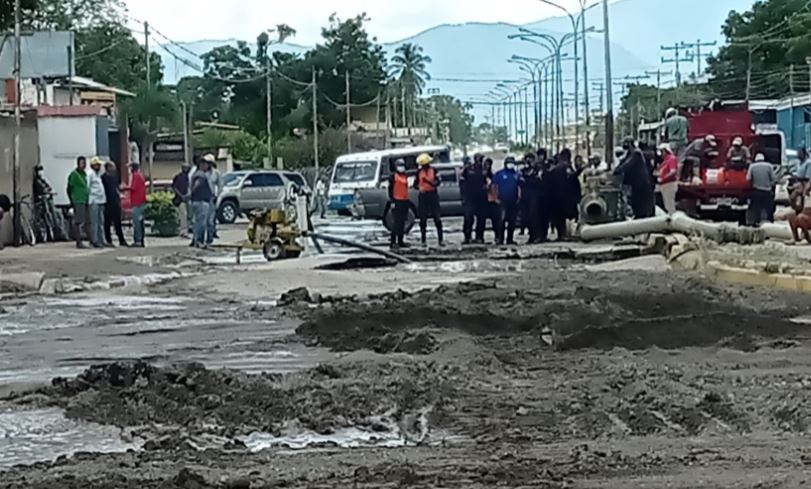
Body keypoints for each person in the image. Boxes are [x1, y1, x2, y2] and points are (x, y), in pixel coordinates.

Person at [614, 138, 655, 219]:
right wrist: (615, 170)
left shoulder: (636, 153)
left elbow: (627, 164)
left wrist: (619, 170)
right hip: (635, 183)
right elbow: (623, 162)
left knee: (641, 202)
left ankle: (642, 217)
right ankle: (638, 215)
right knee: (635, 201)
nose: (624, 146)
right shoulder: (630, 153)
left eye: (625, 143)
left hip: (641, 183)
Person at [413, 153, 443, 247]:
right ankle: (423, 240)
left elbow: (438, 182)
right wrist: (419, 187)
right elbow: (415, 184)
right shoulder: (419, 172)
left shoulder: (434, 170)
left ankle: (440, 240)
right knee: (423, 219)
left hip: (432, 195)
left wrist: (429, 182)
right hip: (423, 196)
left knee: (437, 218)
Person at [494, 156, 522, 245]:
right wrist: (496, 198)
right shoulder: (500, 174)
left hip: (513, 201)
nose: (511, 165)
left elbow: (519, 186)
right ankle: (500, 239)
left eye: (512, 163)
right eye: (509, 163)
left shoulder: (516, 174)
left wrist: (519, 197)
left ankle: (510, 239)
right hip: (502, 201)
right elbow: (494, 186)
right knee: (502, 221)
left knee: (512, 221)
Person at [460, 154, 487, 244]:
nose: (479, 161)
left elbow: (491, 179)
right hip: (470, 197)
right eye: (478, 159)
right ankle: (467, 237)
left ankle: (479, 237)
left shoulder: (484, 169)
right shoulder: (469, 169)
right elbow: (462, 179)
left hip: (481, 198)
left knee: (481, 218)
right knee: (468, 218)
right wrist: (463, 196)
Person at [102, 161, 128, 247]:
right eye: (113, 166)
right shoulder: (103, 178)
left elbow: (117, 188)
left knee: (118, 223)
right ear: (108, 167)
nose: (114, 168)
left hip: (116, 203)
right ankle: (108, 240)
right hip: (108, 203)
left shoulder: (115, 177)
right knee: (107, 223)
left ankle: (122, 240)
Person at [67, 156, 90, 249]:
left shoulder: (84, 174)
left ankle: (88, 239)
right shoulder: (74, 174)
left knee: (87, 221)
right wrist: (72, 200)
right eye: (82, 163)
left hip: (85, 199)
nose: (83, 165)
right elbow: (69, 188)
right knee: (78, 221)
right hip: (78, 200)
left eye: (84, 163)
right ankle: (78, 241)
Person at [747, 153, 776, 226]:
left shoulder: (752, 166)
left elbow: (748, 179)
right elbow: (773, 179)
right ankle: (770, 224)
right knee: (769, 209)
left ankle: (756, 224)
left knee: (757, 209)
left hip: (757, 191)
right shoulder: (769, 166)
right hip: (767, 191)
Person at [190, 158, 213, 248]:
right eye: (206, 164)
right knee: (201, 223)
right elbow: (196, 185)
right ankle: (199, 241)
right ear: (202, 165)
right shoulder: (201, 175)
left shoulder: (195, 174)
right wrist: (193, 190)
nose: (207, 166)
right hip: (201, 201)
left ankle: (196, 240)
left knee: (196, 222)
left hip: (196, 201)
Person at [388, 158, 410, 250]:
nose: (402, 167)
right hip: (396, 201)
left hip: (404, 201)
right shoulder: (393, 176)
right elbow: (390, 190)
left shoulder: (405, 176)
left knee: (402, 222)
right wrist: (392, 201)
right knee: (396, 222)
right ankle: (393, 242)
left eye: (403, 165)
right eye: (400, 165)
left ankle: (400, 241)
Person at [86, 157, 108, 248]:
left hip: (101, 201)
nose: (98, 166)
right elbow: (87, 187)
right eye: (97, 165)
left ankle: (101, 239)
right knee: (94, 222)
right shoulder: (90, 174)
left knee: (100, 222)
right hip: (94, 201)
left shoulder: (98, 175)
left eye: (99, 165)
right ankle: (94, 240)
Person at [483, 158, 502, 244]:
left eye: (489, 164)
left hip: (493, 200)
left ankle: (498, 237)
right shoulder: (481, 175)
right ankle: (480, 237)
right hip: (483, 200)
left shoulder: (493, 175)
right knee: (481, 220)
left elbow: (496, 187)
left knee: (496, 221)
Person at [657, 143, 679, 214]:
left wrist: (663, 178)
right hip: (663, 185)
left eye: (661, 151)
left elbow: (673, 172)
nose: (660, 153)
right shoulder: (664, 161)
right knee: (665, 204)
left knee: (669, 205)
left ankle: (672, 219)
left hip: (669, 184)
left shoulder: (671, 159)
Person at [205, 155, 223, 245]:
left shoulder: (216, 173)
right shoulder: (201, 173)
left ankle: (210, 237)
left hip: (211, 199)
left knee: (210, 220)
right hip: (202, 198)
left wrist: (217, 196)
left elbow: (220, 186)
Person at [129, 161, 147, 248]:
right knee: (140, 222)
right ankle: (141, 240)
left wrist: (124, 187)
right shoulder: (140, 175)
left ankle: (138, 240)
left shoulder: (135, 175)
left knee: (136, 223)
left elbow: (133, 188)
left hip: (137, 202)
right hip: (141, 202)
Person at [172, 162, 191, 238]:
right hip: (181, 199)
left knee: (189, 215)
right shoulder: (178, 177)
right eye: (185, 168)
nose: (186, 169)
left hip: (189, 198)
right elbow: (174, 187)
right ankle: (183, 231)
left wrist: (188, 195)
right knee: (183, 215)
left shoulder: (190, 177)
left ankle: (187, 229)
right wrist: (181, 195)